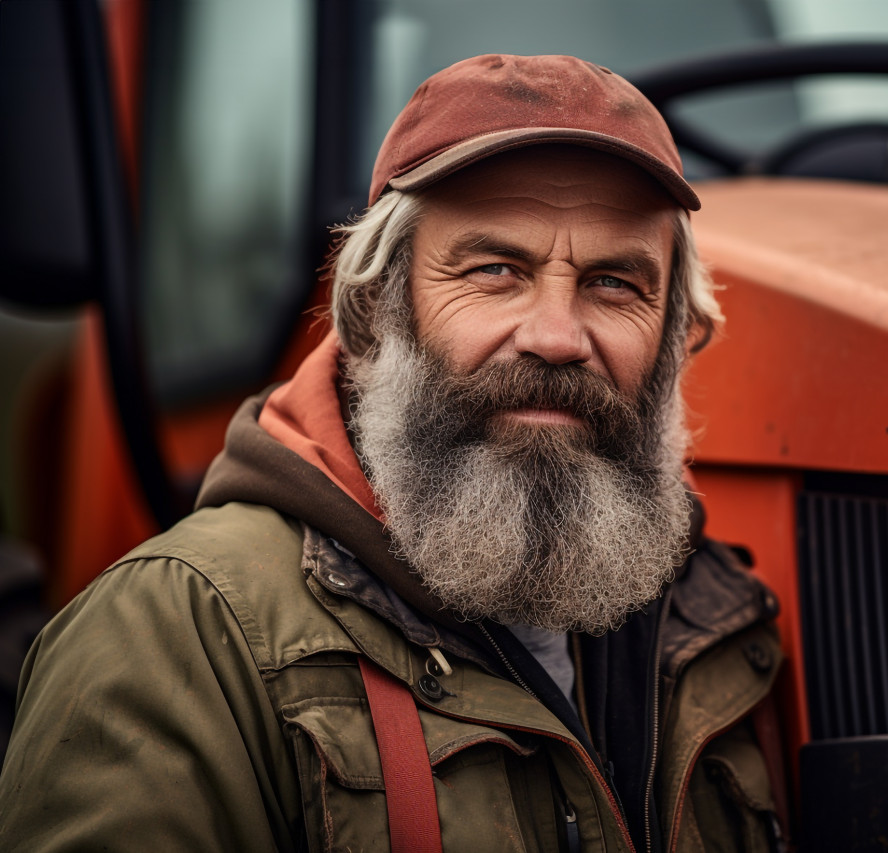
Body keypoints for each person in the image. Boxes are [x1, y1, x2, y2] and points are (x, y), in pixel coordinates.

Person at [0, 54, 784, 852]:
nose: (555, 336)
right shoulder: (175, 637)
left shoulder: (722, 620)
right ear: (375, 311)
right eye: (495, 270)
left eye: (615, 283)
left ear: (672, 338)